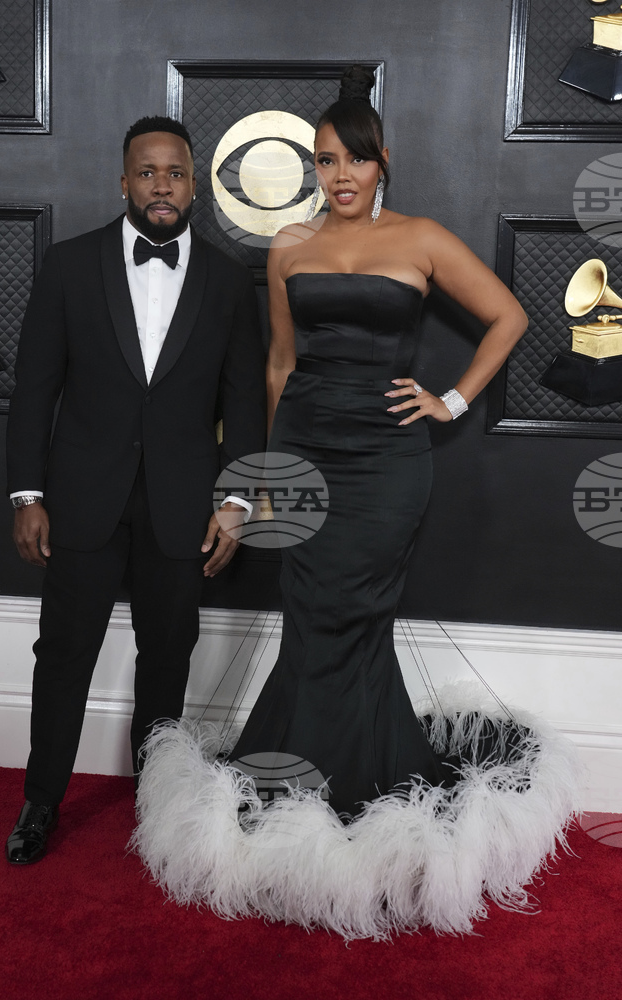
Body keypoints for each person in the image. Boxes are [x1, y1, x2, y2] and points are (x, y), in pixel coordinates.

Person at [132, 71, 579, 938]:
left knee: (356, 610)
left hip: (387, 461)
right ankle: (306, 782)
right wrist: (267, 471)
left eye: (355, 160)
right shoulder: (288, 246)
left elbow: (508, 317)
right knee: (309, 614)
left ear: (382, 163)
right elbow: (278, 364)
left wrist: (450, 399)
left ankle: (352, 783)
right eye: (325, 161)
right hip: (304, 446)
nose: (340, 175)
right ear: (313, 168)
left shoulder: (420, 238)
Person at [4, 116, 266, 865]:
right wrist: (26, 495)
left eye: (175, 173)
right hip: (81, 498)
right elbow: (34, 389)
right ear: (123, 182)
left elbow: (245, 399)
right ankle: (40, 801)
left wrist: (236, 501)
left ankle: (157, 802)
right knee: (64, 655)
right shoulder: (68, 264)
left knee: (167, 657)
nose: (161, 186)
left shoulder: (227, 279)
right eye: (147, 172)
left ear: (194, 186)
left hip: (182, 504)